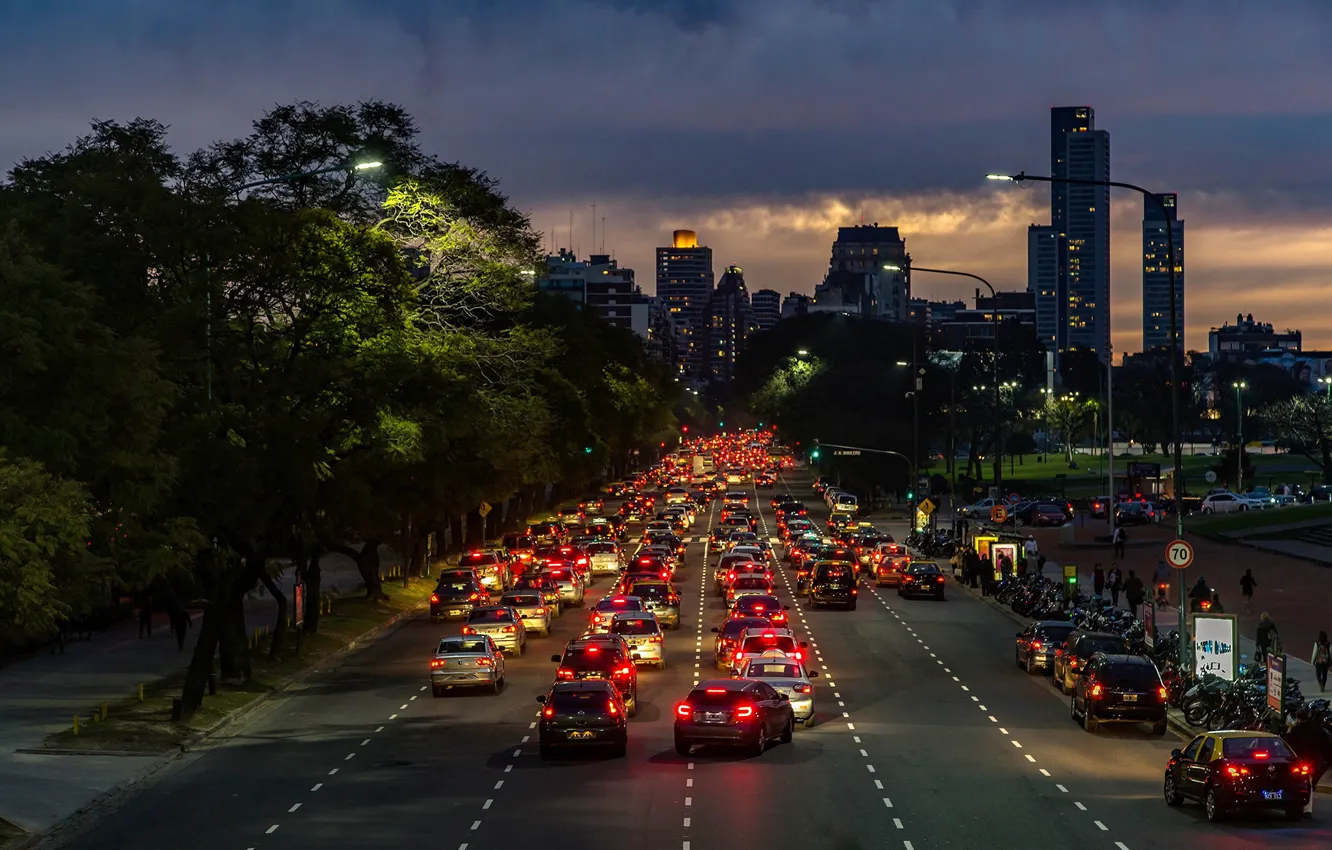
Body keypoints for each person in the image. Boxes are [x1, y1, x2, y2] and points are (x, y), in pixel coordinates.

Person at [1283, 707, 1332, 816]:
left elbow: (1287, 744)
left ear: (1298, 718)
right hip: (1313, 761)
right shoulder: (1317, 729)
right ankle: (1307, 809)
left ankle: (1302, 807)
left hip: (1299, 761)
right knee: (1309, 783)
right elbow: (1326, 746)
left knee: (1300, 783)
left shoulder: (1295, 730)